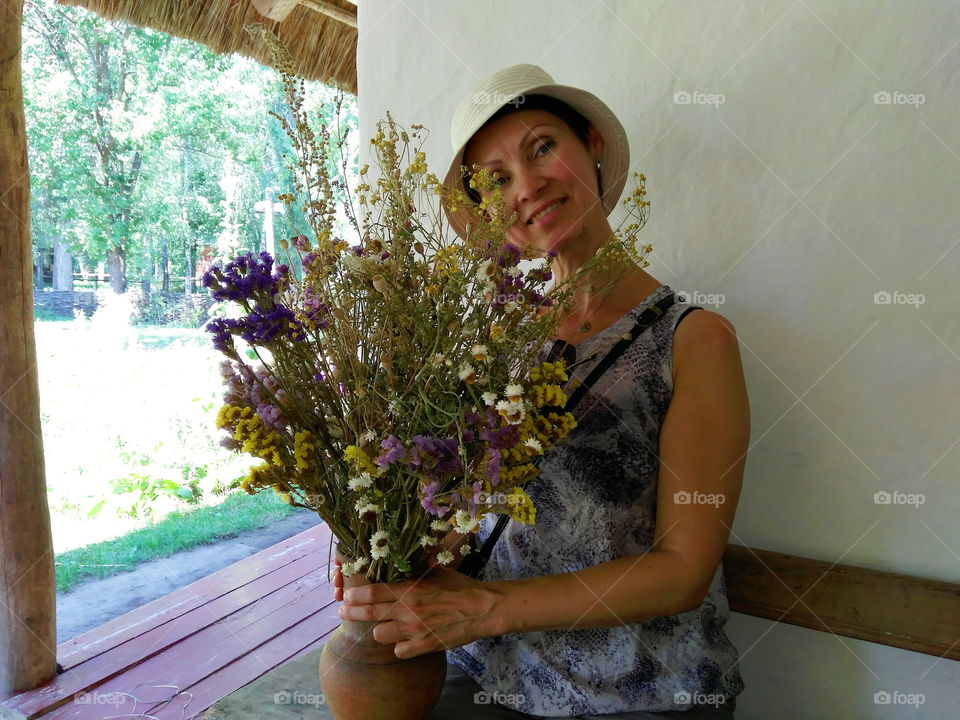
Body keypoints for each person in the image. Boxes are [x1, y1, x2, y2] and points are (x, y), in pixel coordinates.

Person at [333, 64, 750, 719]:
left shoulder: (694, 341)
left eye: (542, 149)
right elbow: (468, 516)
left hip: (643, 695)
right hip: (489, 681)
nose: (526, 187)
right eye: (497, 180)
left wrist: (482, 609)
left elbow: (683, 572)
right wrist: (382, 551)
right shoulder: (485, 342)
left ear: (593, 145)